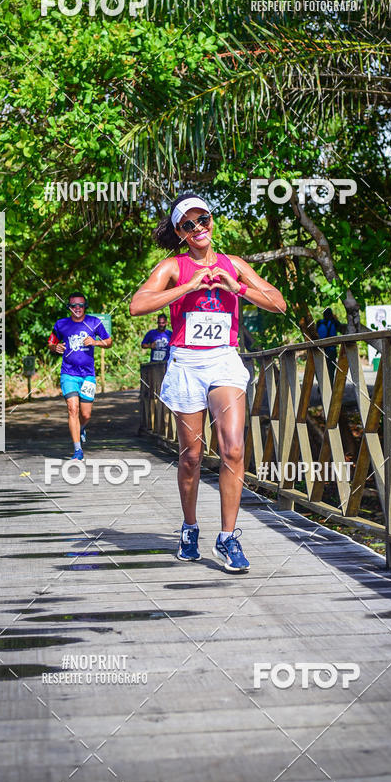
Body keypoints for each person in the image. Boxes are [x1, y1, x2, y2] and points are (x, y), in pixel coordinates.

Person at [130, 193, 286, 572]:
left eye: (204, 220)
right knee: (192, 457)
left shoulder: (234, 264)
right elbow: (138, 305)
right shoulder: (172, 266)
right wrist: (190, 286)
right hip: (186, 363)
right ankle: (189, 527)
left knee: (233, 449)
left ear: (212, 221)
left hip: (223, 361)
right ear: (181, 232)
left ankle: (228, 537)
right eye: (189, 224)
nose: (199, 228)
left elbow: (278, 303)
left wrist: (238, 288)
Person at [48, 291, 112, 460]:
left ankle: (81, 428)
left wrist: (95, 342)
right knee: (72, 409)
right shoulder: (61, 324)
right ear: (69, 307)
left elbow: (109, 341)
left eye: (81, 305)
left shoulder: (94, 323)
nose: (77, 308)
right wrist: (55, 348)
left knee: (86, 415)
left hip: (88, 375)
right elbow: (51, 342)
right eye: (74, 305)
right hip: (68, 373)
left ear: (85, 306)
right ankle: (78, 450)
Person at [316, 307, 339, 383]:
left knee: (321, 368)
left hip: (320, 349)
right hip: (331, 350)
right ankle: (330, 386)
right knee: (331, 370)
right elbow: (340, 327)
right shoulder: (333, 322)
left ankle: (321, 385)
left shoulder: (319, 323)